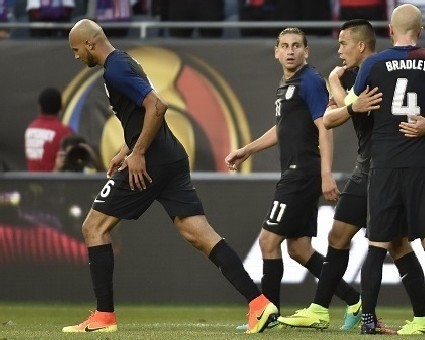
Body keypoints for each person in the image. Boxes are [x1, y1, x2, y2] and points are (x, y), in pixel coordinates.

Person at [63, 19, 277, 334]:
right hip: (170, 156)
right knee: (199, 234)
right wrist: (127, 149)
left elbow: (157, 107)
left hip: (153, 161)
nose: (76, 56)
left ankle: (104, 316)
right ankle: (259, 304)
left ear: (90, 44)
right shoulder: (125, 61)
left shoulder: (115, 70)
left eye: (76, 49)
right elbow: (142, 115)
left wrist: (137, 154)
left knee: (93, 227)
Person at [277, 19, 425, 335]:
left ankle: (424, 317)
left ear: (361, 45)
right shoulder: (354, 75)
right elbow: (330, 117)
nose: (338, 51)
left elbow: (349, 110)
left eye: (343, 44)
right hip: (365, 169)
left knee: (398, 245)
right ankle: (320, 310)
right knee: (339, 236)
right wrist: (345, 97)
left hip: (384, 171)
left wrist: (338, 90)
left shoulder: (380, 72)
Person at [225, 27, 362, 331]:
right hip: (298, 173)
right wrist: (247, 150)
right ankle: (354, 300)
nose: (290, 51)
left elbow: (324, 127)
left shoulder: (311, 81)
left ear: (306, 51)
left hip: (302, 174)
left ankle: (268, 315)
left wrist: (326, 174)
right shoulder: (287, 83)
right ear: (276, 52)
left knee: (267, 240)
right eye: (284, 46)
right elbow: (282, 127)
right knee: (299, 249)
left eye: (296, 46)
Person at [344, 4, 425, 335]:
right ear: (421, 31)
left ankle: (367, 319)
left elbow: (353, 105)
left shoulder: (374, 63)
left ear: (390, 31)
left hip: (385, 164)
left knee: (377, 244)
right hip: (422, 163)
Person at [25, 87, 74, 172]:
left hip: (31, 183)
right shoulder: (65, 132)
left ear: (39, 106)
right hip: (52, 183)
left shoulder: (30, 128)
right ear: (60, 108)